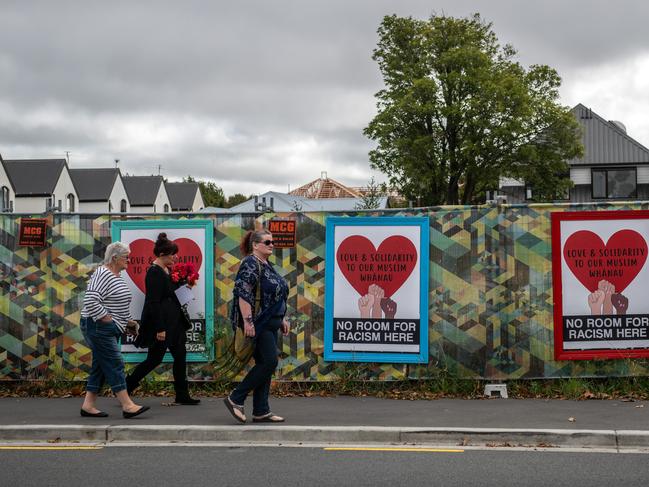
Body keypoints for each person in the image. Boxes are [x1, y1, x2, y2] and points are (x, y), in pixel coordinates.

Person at [223, 229, 289, 423]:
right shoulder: (250, 263)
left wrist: (282, 318)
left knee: (265, 365)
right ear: (255, 245)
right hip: (259, 324)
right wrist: (248, 321)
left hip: (270, 323)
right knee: (269, 362)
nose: (271, 245)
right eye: (267, 242)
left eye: (272, 242)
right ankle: (236, 398)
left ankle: (261, 410)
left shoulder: (266, 265)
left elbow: (274, 296)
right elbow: (244, 293)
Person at [126, 233, 200, 405]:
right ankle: (126, 386)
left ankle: (182, 395)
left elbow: (172, 295)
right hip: (162, 325)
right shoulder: (154, 273)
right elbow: (153, 302)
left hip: (175, 323)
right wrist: (160, 328)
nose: (176, 257)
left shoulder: (168, 271)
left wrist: (187, 286)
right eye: (173, 254)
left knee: (180, 356)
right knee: (154, 359)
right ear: (161, 255)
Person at [80, 241, 150, 419]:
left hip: (105, 326)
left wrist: (127, 322)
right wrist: (107, 319)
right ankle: (127, 405)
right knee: (115, 362)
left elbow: (113, 303)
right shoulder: (103, 273)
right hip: (98, 326)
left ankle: (88, 405)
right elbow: (91, 300)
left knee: (101, 366)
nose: (129, 260)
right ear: (114, 258)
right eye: (126, 257)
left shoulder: (114, 275)